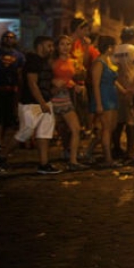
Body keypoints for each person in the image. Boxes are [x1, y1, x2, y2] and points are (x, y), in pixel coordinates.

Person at [0, 35, 60, 174]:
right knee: (25, 132)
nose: (51, 48)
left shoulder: (45, 61)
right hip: (31, 103)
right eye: (49, 45)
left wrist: (54, 90)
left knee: (44, 133)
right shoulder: (32, 61)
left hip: (45, 102)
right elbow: (32, 83)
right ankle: (1, 156)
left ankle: (44, 164)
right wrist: (42, 102)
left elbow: (46, 82)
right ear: (40, 46)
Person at [50, 35, 89, 170]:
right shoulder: (52, 61)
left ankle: (73, 160)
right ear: (57, 46)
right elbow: (44, 77)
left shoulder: (74, 61)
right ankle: (3, 155)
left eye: (68, 44)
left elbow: (73, 77)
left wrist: (76, 85)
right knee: (45, 130)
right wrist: (52, 82)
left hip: (65, 97)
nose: (65, 47)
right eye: (62, 44)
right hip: (52, 97)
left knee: (76, 129)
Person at [86, 35, 126, 168]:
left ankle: (89, 151)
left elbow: (113, 79)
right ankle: (108, 158)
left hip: (111, 96)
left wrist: (123, 91)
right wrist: (98, 104)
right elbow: (96, 84)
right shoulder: (99, 63)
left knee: (110, 128)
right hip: (104, 97)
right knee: (107, 129)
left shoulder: (107, 61)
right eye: (114, 46)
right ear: (109, 48)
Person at [0, 31, 25, 154]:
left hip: (12, 90)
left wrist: (20, 88)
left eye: (11, 38)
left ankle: (1, 139)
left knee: (8, 118)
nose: (9, 40)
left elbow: (20, 73)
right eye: (6, 37)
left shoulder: (19, 56)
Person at [113, 26, 134, 159]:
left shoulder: (115, 50)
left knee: (118, 120)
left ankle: (117, 147)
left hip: (117, 88)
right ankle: (130, 150)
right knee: (131, 120)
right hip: (131, 88)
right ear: (133, 37)